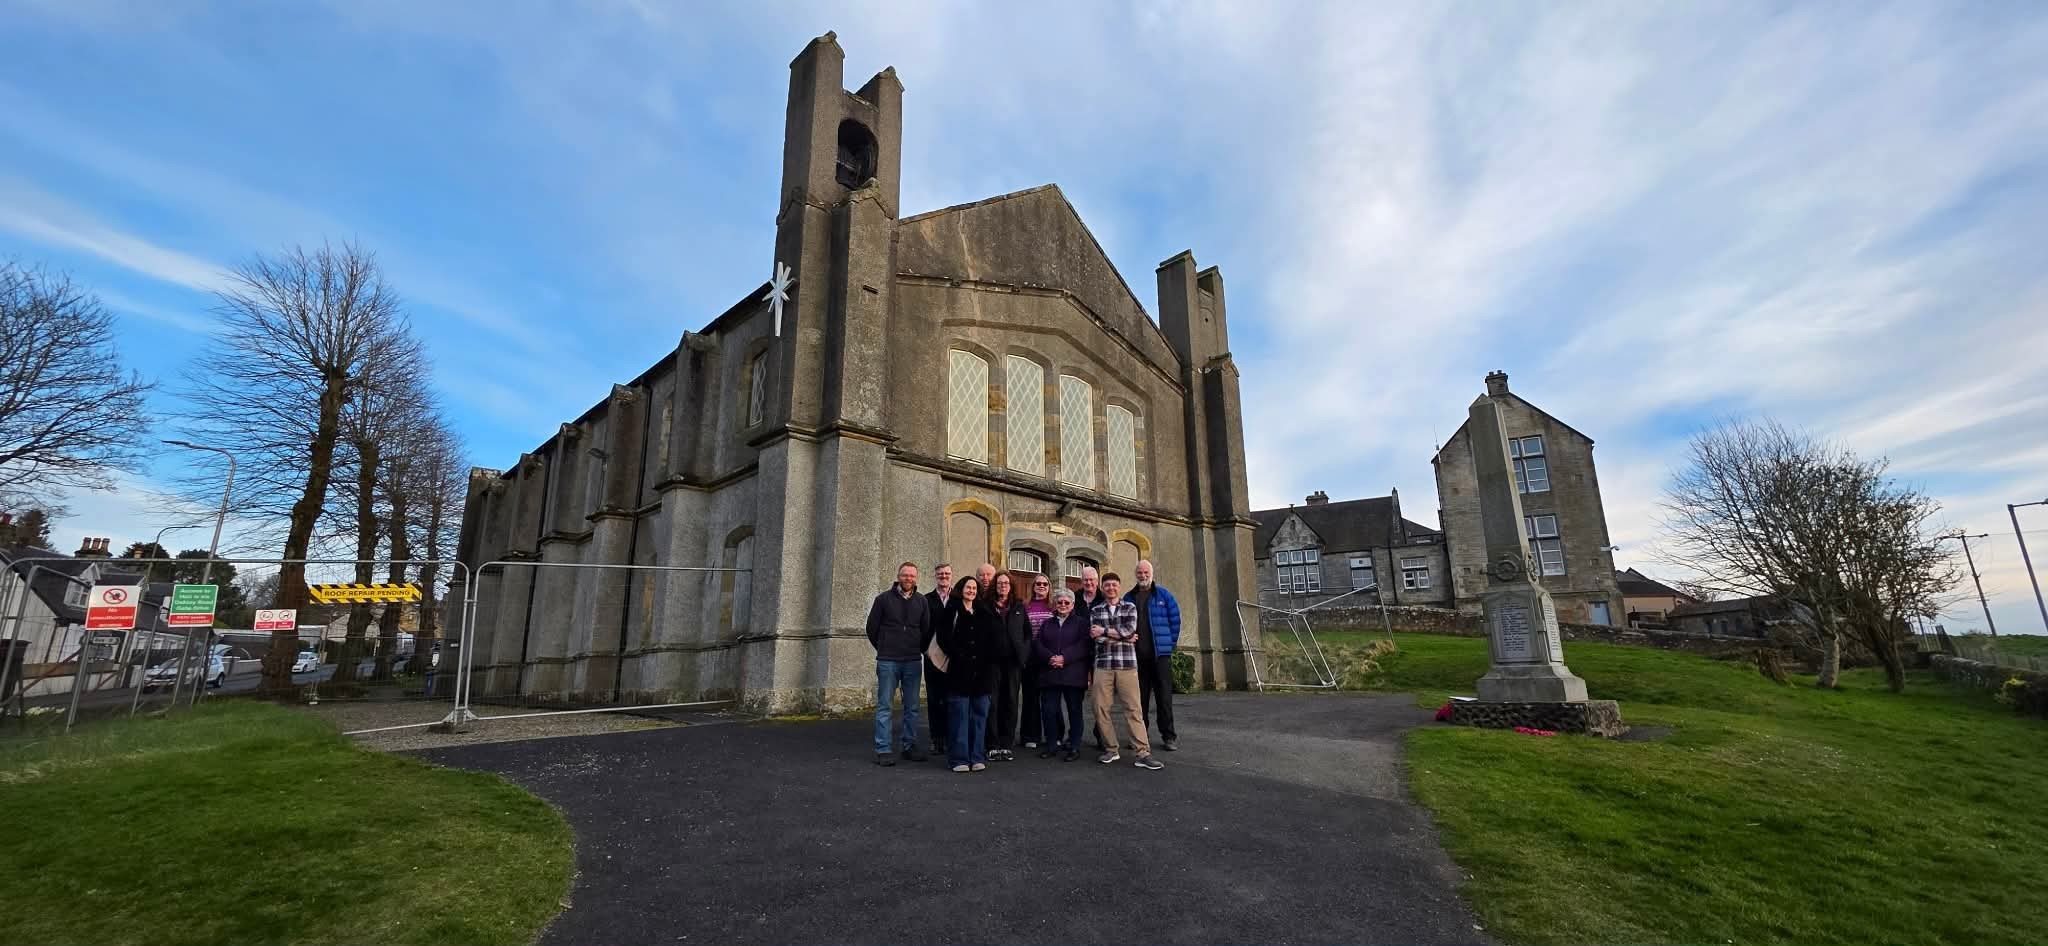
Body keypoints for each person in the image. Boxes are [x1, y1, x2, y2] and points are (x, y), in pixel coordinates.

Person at [1088, 573, 1161, 769]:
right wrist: (1122, 637)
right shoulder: (1096, 610)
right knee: (1100, 708)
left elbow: (1130, 630)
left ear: (1119, 587)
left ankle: (1142, 752)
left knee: (1134, 709)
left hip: (1127, 665)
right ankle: (1111, 749)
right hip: (1103, 666)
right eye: (1107, 585)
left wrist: (1106, 631)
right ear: (1102, 588)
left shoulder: (1130, 607)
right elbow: (1097, 637)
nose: (1111, 588)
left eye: (1114, 585)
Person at [865, 562, 930, 765]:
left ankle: (909, 746)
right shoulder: (883, 600)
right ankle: (883, 749)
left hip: (911, 660)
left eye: (911, 575)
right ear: (898, 576)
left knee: (911, 707)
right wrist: (885, 647)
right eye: (905, 575)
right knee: (885, 706)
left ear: (916, 578)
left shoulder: (921, 601)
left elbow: (926, 630)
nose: (908, 578)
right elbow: (872, 628)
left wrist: (916, 648)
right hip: (888, 661)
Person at [939, 574, 1003, 772]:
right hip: (959, 671)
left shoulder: (985, 611)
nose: (972, 591)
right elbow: (943, 638)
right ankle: (958, 759)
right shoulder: (952, 610)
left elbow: (995, 639)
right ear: (961, 589)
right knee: (959, 717)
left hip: (982, 673)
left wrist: (988, 659)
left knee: (979, 717)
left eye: (975, 588)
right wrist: (959, 656)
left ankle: (976, 756)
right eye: (968, 587)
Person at [1127, 559, 1183, 751]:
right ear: (1136, 575)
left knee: (1164, 698)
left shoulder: (1164, 595)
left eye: (1146, 573)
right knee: (1139, 700)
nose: (1143, 576)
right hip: (1138, 658)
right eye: (1140, 573)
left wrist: (1168, 644)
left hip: (1160, 657)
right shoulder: (1129, 597)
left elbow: (1175, 621)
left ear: (1151, 574)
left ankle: (1169, 736)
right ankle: (1141, 737)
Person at [1032, 588, 1091, 760]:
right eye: (1060, 602)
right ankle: (1052, 745)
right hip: (1050, 673)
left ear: (1072, 604)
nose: (1063, 605)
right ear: (1055, 604)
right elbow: (1038, 644)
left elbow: (1084, 645)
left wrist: (1065, 658)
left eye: (1067, 602)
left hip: (1073, 674)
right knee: (1049, 711)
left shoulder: (1081, 623)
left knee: (1074, 711)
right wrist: (1050, 658)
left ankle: (1074, 747)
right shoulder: (1047, 624)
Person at [985, 572, 1028, 761]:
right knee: (992, 703)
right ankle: (992, 744)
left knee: (1010, 701)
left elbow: (1027, 633)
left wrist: (1023, 654)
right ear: (995, 585)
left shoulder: (1018, 606)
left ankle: (1006, 743)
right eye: (999, 583)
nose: (1003, 586)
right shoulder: (985, 606)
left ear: (1011, 586)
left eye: (1006, 583)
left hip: (1012, 663)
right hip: (992, 662)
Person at [1019, 573, 1054, 749]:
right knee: (1030, 698)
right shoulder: (1025, 606)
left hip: (1048, 659)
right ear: (1032, 587)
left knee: (1050, 700)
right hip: (1030, 659)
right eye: (1038, 584)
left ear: (1049, 587)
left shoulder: (1054, 607)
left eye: (1045, 584)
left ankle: (1052, 735)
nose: (1041, 586)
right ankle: (1029, 735)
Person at [924, 563, 955, 758]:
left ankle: (952, 737)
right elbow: (922, 627)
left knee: (952, 699)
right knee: (935, 699)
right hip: (931, 657)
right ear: (935, 576)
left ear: (951, 576)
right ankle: (937, 740)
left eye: (947, 574)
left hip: (954, 657)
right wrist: (925, 650)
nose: (943, 576)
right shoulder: (926, 600)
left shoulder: (958, 598)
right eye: (940, 574)